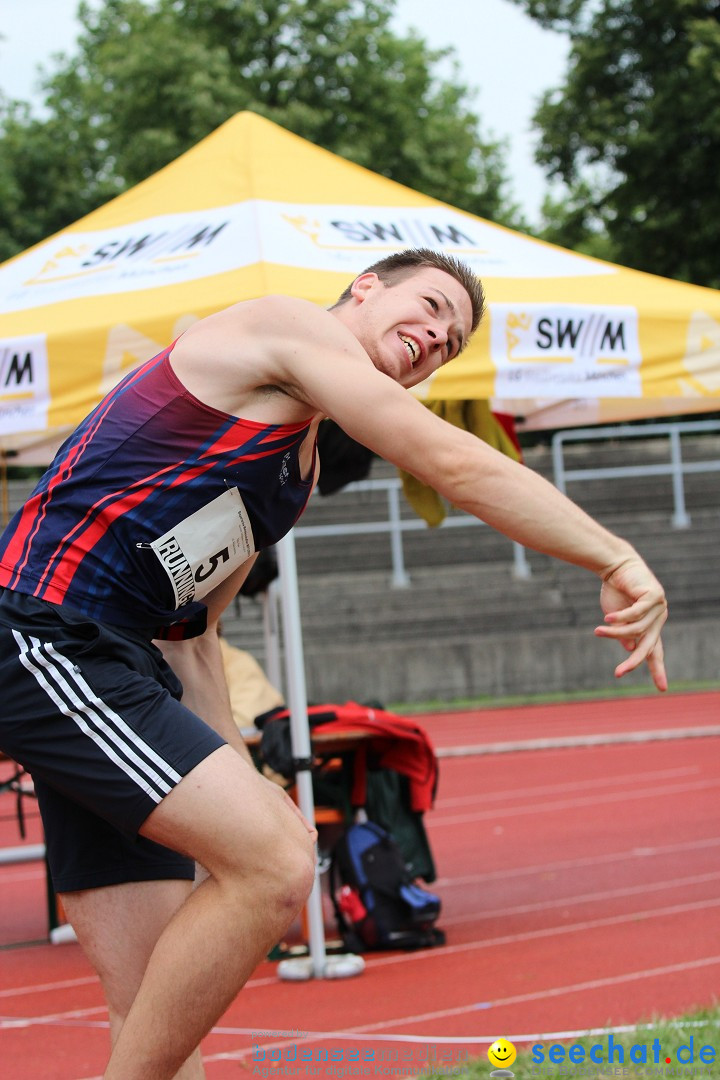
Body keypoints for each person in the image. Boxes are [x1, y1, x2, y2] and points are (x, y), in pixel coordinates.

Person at [0, 248, 667, 1079]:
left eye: (452, 342)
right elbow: (451, 462)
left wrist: (238, 778)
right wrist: (615, 557)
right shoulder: (285, 325)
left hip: (125, 669)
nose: (436, 338)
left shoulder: (297, 468)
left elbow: (192, 636)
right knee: (279, 862)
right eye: (428, 309)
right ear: (364, 287)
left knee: (159, 1012)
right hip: (44, 630)